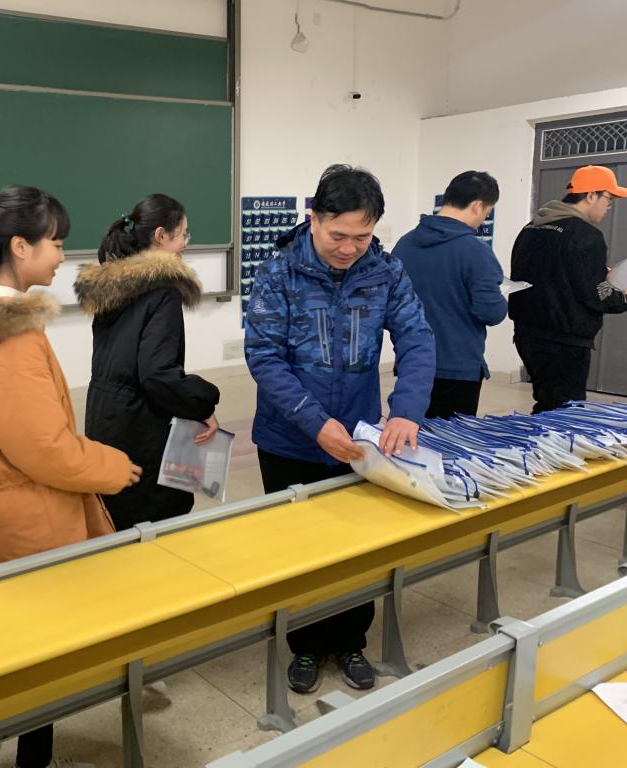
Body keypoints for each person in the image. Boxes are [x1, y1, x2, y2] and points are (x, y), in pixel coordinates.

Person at [0, 185, 140, 768]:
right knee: (40, 651)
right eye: (56, 243)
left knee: (22, 642)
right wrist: (113, 467)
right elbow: (44, 449)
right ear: (20, 246)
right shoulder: (6, 339)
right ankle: (32, 757)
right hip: (27, 517)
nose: (63, 256)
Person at [245, 165, 435, 693]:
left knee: (356, 547)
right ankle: (304, 644)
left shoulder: (386, 271)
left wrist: (406, 410)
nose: (349, 248)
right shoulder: (279, 272)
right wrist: (314, 422)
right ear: (314, 219)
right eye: (338, 235)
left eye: (362, 236)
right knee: (299, 549)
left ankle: (351, 640)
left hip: (357, 440)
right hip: (288, 440)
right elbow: (264, 357)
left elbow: (417, 339)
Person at [74, 194, 220, 531]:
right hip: (141, 429)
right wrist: (204, 401)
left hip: (104, 418)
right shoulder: (163, 292)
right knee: (154, 523)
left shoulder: (113, 286)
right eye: (182, 234)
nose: (185, 244)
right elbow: (157, 375)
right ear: (161, 236)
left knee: (114, 521)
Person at [509, 165, 627, 413]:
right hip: (564, 343)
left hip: (527, 335)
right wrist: (621, 296)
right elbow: (597, 294)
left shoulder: (531, 229)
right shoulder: (585, 235)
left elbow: (552, 275)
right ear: (591, 195)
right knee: (565, 412)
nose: (609, 206)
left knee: (547, 402)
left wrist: (595, 273)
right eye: (609, 198)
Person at [393, 171, 506, 418]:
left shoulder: (404, 244)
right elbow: (491, 312)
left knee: (412, 433)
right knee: (452, 439)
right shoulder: (476, 251)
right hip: (458, 366)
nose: (484, 219)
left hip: (411, 362)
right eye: (487, 212)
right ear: (477, 206)